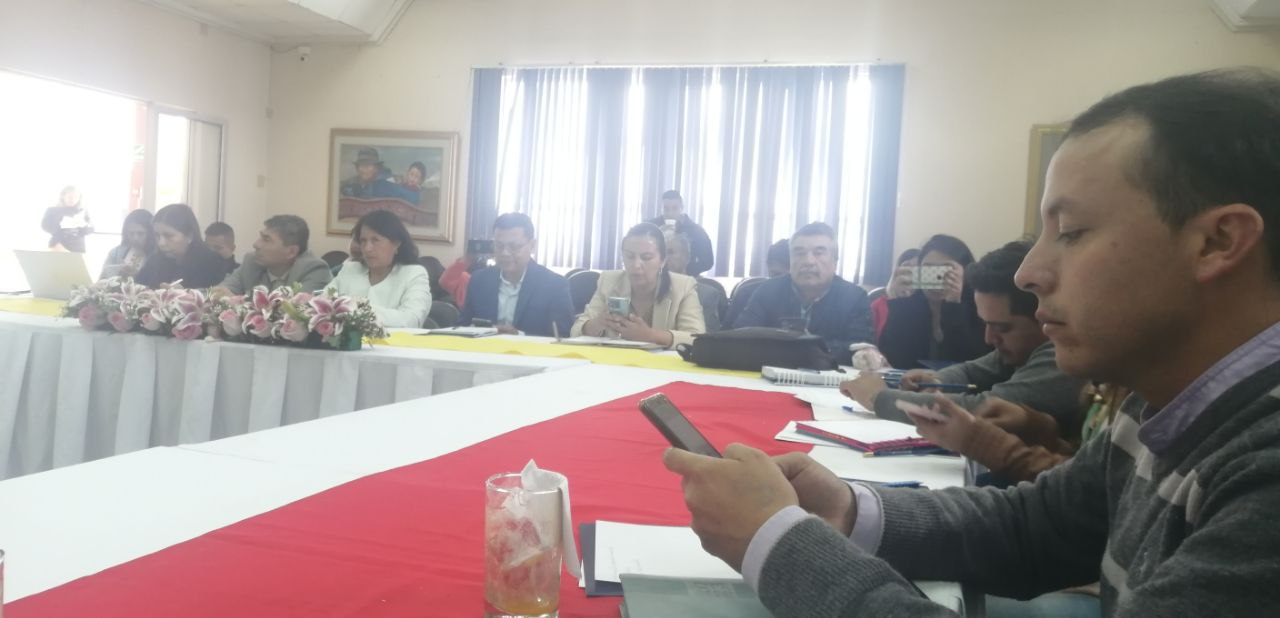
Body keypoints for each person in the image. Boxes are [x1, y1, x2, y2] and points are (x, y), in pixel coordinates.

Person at [662, 68, 1280, 616]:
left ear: (1217, 242)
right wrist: (846, 507)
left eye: (1071, 232)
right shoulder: (1159, 399)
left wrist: (779, 544)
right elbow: (1037, 526)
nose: (1028, 273)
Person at [843, 240, 1087, 429]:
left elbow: (983, 408)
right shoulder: (1023, 346)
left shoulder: (1060, 356)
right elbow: (972, 370)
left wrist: (879, 398)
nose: (989, 338)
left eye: (1002, 328)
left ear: (1043, 314)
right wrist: (936, 380)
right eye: (986, 324)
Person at [913, 383, 1130, 486]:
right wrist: (1035, 427)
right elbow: (1083, 461)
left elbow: (1093, 490)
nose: (989, 338)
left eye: (1003, 328)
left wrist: (985, 444)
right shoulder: (1106, 386)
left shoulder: (1139, 405)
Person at [732, 222, 873, 364]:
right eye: (799, 253)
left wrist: (805, 345)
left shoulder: (854, 297)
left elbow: (861, 350)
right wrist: (816, 348)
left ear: (835, 261)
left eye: (819, 253)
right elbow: (740, 338)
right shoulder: (768, 290)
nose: (808, 261)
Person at [572, 222, 705, 348]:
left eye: (646, 257)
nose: (636, 265)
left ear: (663, 261)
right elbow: (575, 330)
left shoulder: (683, 286)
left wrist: (650, 336)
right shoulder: (608, 280)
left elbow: (697, 339)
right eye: (629, 256)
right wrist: (597, 323)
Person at [876, 235, 989, 369]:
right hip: (911, 381)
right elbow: (895, 360)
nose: (937, 277)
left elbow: (971, 363)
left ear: (965, 273)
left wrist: (953, 306)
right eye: (928, 269)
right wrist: (899, 303)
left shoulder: (981, 308)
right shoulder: (910, 306)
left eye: (947, 269)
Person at [459, 213, 574, 337]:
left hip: (531, 349)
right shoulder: (479, 280)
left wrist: (519, 336)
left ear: (532, 246)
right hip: (483, 348)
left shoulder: (554, 285)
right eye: (499, 246)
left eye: (514, 247)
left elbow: (563, 336)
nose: (505, 253)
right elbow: (462, 327)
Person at [331, 210, 431, 327]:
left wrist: (354, 309)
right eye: (363, 241)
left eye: (375, 240)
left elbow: (411, 320)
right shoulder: (350, 269)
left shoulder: (414, 274)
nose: (367, 248)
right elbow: (323, 303)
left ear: (396, 244)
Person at [215, 215, 332, 295]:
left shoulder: (314, 270)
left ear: (291, 252)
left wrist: (237, 303)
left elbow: (294, 312)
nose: (256, 244)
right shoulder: (251, 261)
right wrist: (220, 296)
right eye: (260, 237)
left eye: (266, 239)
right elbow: (219, 292)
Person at [134, 203, 229, 289]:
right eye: (157, 236)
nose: (161, 243)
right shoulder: (155, 260)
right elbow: (138, 286)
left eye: (169, 236)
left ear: (189, 236)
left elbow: (214, 297)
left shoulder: (211, 263)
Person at [666, 231, 724, 332]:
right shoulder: (644, 289)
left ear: (687, 257)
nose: (664, 258)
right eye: (660, 253)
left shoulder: (706, 295)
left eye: (670, 252)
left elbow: (706, 338)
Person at [647, 190, 714, 276]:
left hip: (686, 277)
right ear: (661, 209)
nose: (670, 213)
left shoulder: (696, 231)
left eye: (675, 208)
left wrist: (687, 271)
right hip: (655, 277)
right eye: (666, 208)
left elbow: (708, 261)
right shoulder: (651, 227)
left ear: (681, 208)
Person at [870, 248, 919, 341]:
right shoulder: (878, 305)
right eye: (907, 268)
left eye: (918, 269)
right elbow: (869, 342)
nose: (912, 273)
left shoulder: (931, 305)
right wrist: (896, 300)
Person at [100, 209, 155, 280]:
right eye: (131, 233)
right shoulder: (115, 253)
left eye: (140, 233)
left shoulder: (157, 256)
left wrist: (139, 276)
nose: (135, 238)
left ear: (150, 234)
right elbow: (102, 279)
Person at [41, 185, 93, 253]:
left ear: (79, 198)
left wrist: (84, 226)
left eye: (76, 197)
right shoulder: (52, 210)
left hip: (78, 246)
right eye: (70, 197)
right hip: (58, 244)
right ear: (63, 196)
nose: (72, 199)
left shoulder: (83, 211)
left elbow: (91, 228)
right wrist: (60, 228)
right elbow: (44, 225)